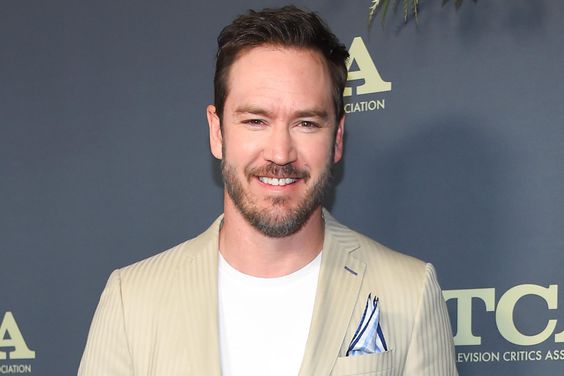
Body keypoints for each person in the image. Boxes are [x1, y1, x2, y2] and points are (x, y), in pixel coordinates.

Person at [78, 5, 457, 376]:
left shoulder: (410, 292)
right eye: (256, 120)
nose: (280, 153)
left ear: (337, 138)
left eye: (306, 123)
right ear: (216, 131)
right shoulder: (132, 300)